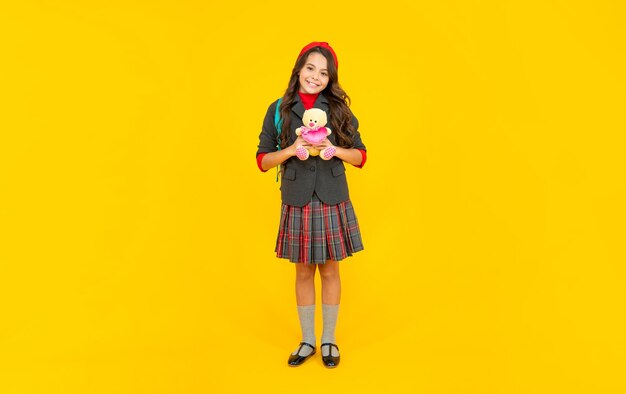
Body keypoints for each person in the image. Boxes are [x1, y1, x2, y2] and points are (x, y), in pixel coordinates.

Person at [256, 42, 367, 368]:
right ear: (298, 69)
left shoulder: (338, 110)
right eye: (310, 69)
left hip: (332, 195)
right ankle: (307, 341)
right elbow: (263, 160)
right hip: (297, 197)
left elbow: (361, 155)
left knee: (330, 270)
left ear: (330, 79)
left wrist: (335, 149)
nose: (315, 77)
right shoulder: (277, 109)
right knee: (303, 271)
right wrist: (291, 149)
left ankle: (329, 340)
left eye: (323, 72)